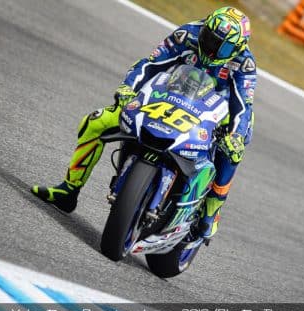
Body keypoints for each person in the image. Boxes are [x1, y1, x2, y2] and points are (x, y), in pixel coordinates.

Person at [31, 6, 257, 239]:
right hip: (173, 96)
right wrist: (128, 87)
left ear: (237, 48)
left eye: (223, 46)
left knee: (231, 152)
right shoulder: (188, 34)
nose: (212, 48)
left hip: (218, 112)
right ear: (205, 28)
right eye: (210, 38)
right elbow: (150, 64)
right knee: (96, 122)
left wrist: (236, 136)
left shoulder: (244, 64)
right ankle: (69, 190)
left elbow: (243, 106)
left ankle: (212, 211)